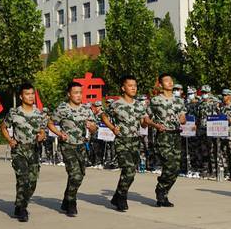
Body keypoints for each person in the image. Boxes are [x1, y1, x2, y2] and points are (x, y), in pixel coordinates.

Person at [49, 81, 98, 217]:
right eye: (75, 93)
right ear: (69, 94)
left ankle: (66, 199)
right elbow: (50, 122)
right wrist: (59, 134)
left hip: (81, 146)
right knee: (75, 174)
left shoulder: (86, 109)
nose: (78, 95)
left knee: (80, 174)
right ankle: (71, 203)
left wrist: (91, 127)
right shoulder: (62, 109)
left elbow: (95, 128)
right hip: (68, 145)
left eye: (80, 93)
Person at [0, 83, 48, 223]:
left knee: (32, 183)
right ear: (21, 96)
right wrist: (9, 139)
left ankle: (19, 203)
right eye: (27, 94)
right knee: (23, 179)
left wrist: (42, 135)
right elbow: (3, 127)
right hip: (19, 150)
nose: (30, 96)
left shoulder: (39, 114)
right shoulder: (14, 112)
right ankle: (22, 209)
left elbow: (43, 130)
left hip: (34, 150)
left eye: (32, 94)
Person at [101, 75, 148, 212]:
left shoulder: (139, 105)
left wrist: (145, 122)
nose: (133, 88)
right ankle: (122, 198)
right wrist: (112, 128)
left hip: (135, 141)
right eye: (130, 85)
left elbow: (142, 123)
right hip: (122, 141)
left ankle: (117, 196)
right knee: (128, 170)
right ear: (123, 88)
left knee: (132, 172)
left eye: (135, 85)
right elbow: (103, 116)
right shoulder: (116, 104)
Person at [145, 73, 187, 207]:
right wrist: (155, 125)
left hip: (176, 135)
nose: (170, 83)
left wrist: (183, 119)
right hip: (163, 136)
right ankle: (161, 190)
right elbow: (146, 119)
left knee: (176, 168)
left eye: (171, 80)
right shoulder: (156, 100)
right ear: (161, 84)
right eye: (166, 81)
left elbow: (183, 118)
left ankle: (163, 191)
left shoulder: (179, 100)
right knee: (169, 164)